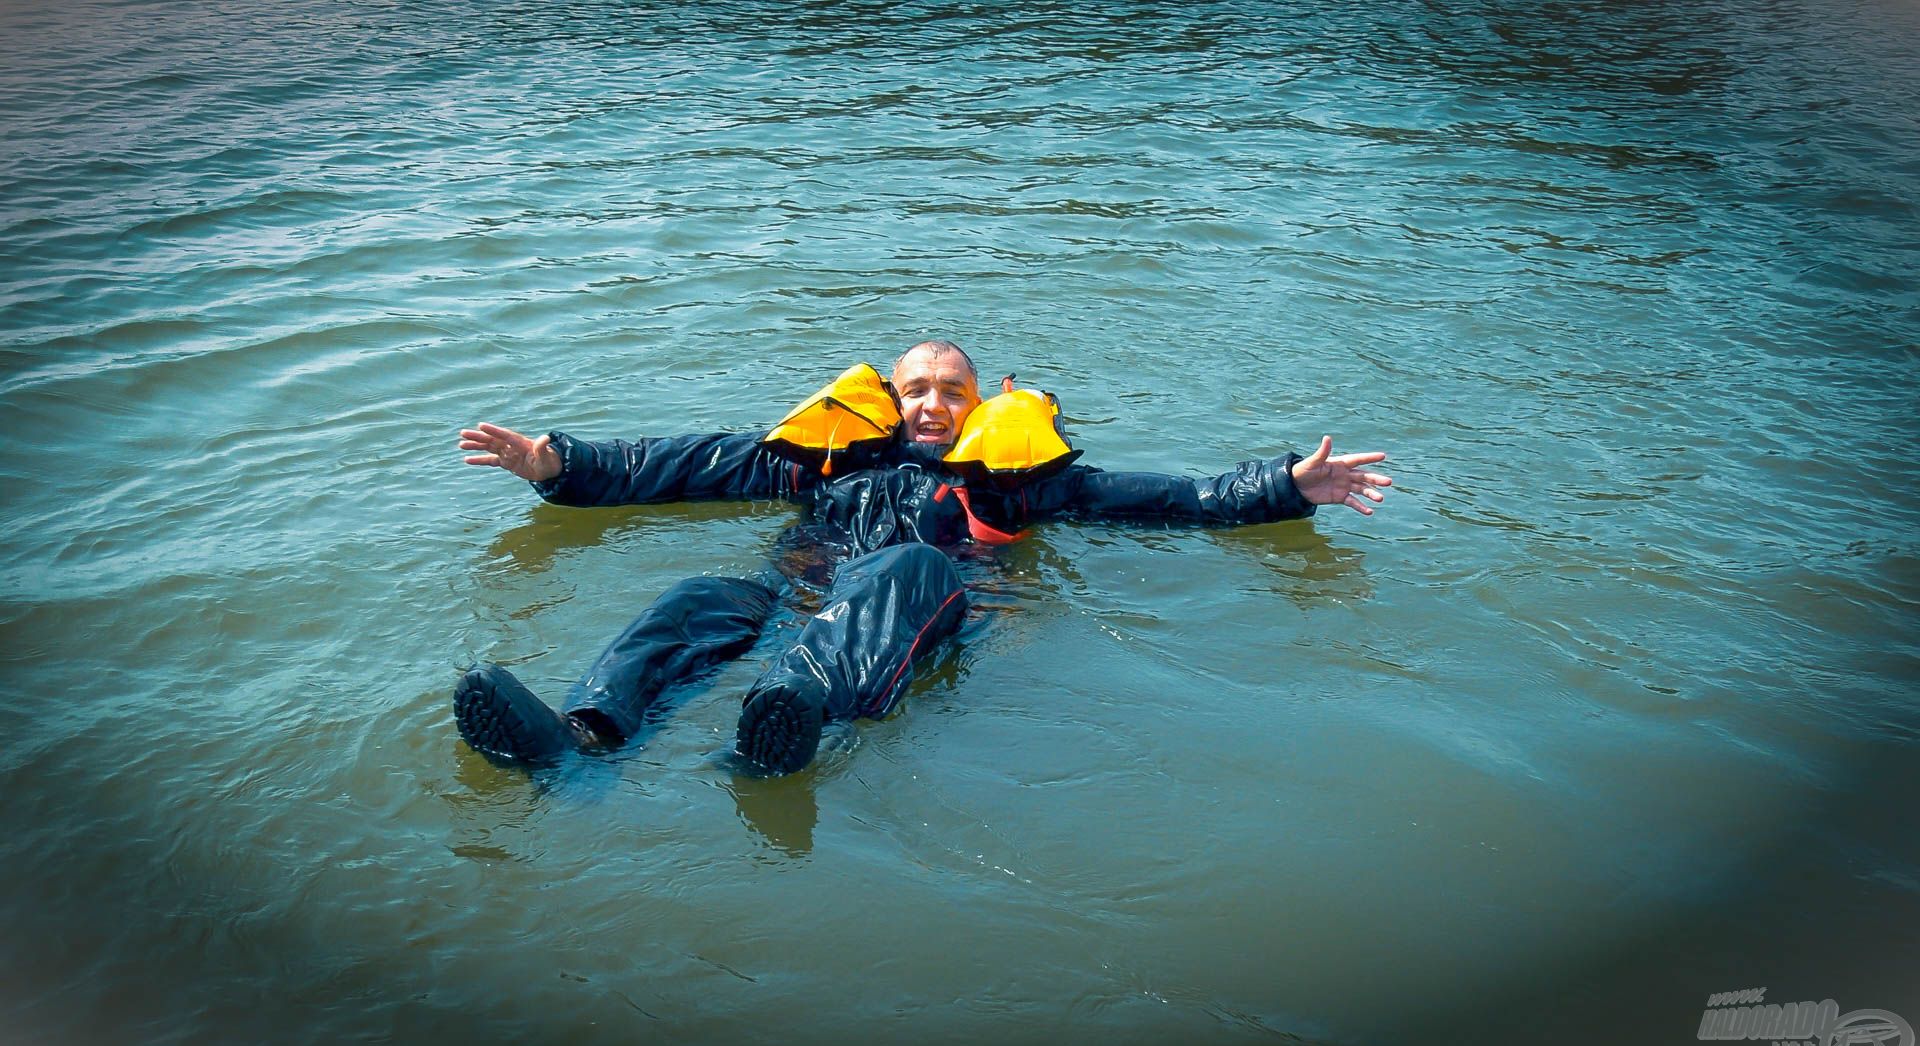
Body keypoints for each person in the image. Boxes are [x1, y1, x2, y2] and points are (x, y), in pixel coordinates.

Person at [454, 340, 1391, 775]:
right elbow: (680, 465)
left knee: (911, 568)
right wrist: (556, 464)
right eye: (914, 389)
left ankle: (781, 728)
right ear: (890, 399)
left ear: (979, 403)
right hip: (798, 597)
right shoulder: (827, 457)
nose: (931, 403)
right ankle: (581, 738)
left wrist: (1286, 486)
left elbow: (1172, 500)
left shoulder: (1022, 479)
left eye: (951, 389)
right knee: (705, 592)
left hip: (920, 612)